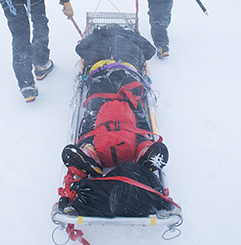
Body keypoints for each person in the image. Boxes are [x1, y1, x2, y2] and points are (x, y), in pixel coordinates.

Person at [61, 24, 169, 176]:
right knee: (134, 106)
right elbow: (149, 51)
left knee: (95, 109)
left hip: (102, 73)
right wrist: (132, 36)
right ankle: (143, 145)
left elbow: (81, 49)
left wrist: (97, 35)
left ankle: (88, 148)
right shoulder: (128, 38)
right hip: (126, 72)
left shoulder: (100, 39)